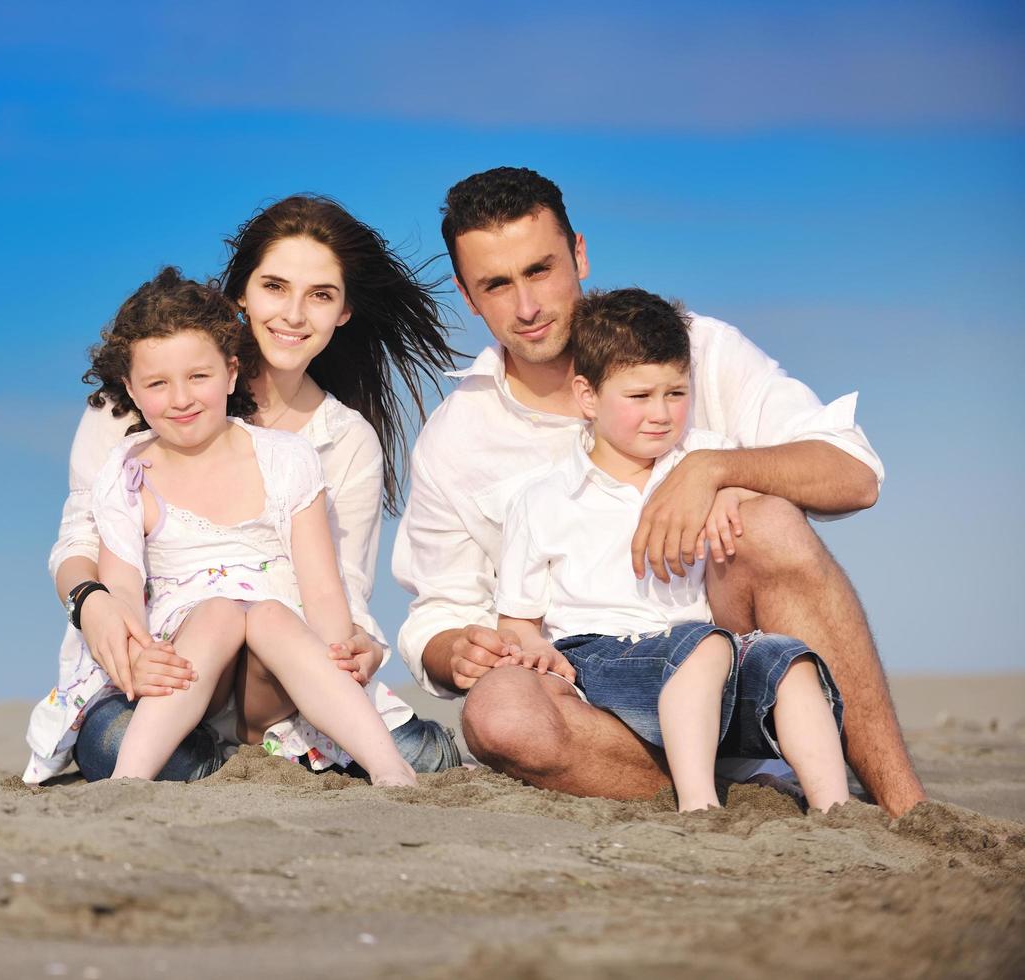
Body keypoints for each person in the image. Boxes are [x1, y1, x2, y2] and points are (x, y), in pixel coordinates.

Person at [393, 166, 926, 816]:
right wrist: (456, 650)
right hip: (596, 686)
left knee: (769, 521)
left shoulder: (693, 347)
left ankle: (904, 807)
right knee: (500, 716)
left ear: (580, 254)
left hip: (727, 646)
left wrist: (713, 472)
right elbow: (437, 610)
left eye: (540, 270)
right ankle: (732, 789)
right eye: (497, 285)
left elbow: (854, 472)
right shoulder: (458, 437)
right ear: (467, 295)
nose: (526, 306)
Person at [25, 195, 463, 782]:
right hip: (177, 660)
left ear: (344, 312)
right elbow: (87, 542)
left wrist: (361, 645)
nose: (294, 314)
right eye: (275, 287)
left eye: (321, 295)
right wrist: (96, 605)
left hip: (280, 671)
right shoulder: (128, 426)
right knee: (112, 740)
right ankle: (213, 759)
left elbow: (340, 586)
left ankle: (286, 750)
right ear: (242, 295)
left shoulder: (336, 441)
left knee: (424, 754)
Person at [493, 288, 849, 812]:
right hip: (602, 658)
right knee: (701, 647)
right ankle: (699, 805)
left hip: (712, 652)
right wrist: (533, 647)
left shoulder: (708, 458)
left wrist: (731, 488)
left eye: (675, 393)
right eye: (639, 397)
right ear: (587, 396)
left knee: (787, 659)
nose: (661, 414)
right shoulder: (543, 499)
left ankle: (834, 810)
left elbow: (766, 484)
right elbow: (516, 619)